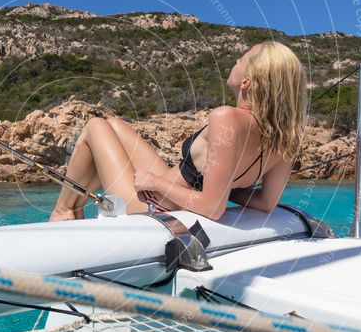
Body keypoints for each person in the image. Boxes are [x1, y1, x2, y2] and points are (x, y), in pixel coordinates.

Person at [49, 41, 308, 221]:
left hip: (152, 207)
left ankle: (63, 211)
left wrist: (156, 183)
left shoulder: (226, 118)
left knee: (95, 127)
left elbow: (212, 208)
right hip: (169, 196)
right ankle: (74, 210)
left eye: (243, 58)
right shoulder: (285, 139)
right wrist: (223, 189)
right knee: (114, 126)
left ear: (247, 82)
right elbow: (265, 203)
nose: (236, 60)